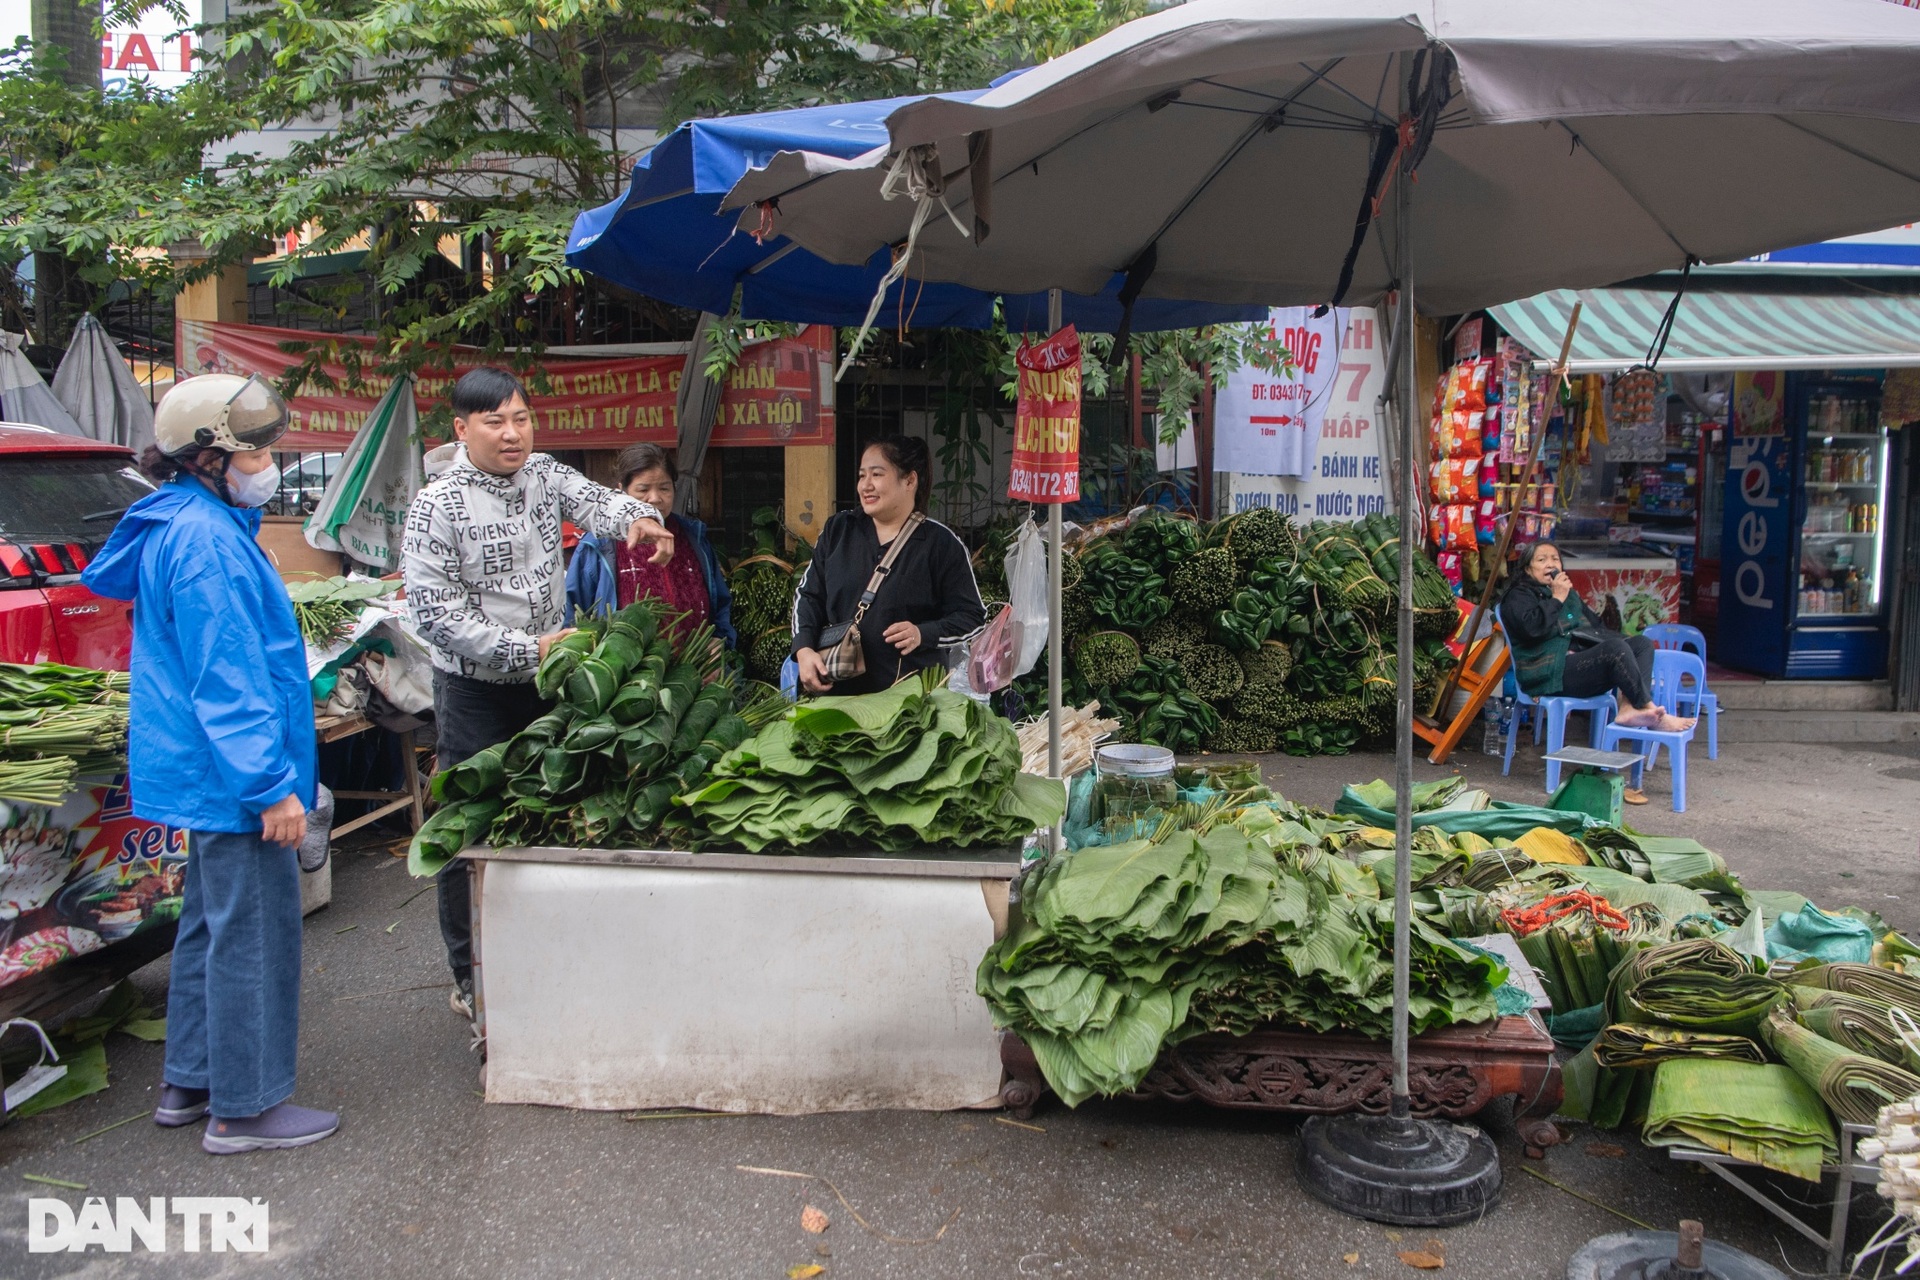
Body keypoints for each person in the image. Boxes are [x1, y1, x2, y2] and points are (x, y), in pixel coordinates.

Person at [82, 373, 337, 1154]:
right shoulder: (204, 543)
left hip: (203, 772)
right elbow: (226, 679)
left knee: (209, 926)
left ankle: (190, 1081)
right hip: (233, 778)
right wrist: (272, 790)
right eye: (255, 453)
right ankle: (245, 1108)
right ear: (205, 459)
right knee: (252, 936)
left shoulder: (188, 521)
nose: (269, 464)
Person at [402, 367, 674, 1021]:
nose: (512, 433)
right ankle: (472, 976)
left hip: (550, 687)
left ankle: (548, 957)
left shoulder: (546, 476)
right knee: (468, 827)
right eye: (495, 421)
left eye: (521, 418)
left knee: (554, 811)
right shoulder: (435, 506)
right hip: (475, 694)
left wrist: (638, 517)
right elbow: (439, 616)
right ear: (462, 429)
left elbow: (597, 501)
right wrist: (532, 650)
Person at [792, 435, 984, 696]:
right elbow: (809, 596)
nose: (866, 486)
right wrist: (804, 650)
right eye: (862, 476)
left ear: (909, 480)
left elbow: (972, 616)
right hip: (836, 697)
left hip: (911, 705)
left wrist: (923, 633)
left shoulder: (941, 544)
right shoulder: (838, 530)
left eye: (877, 475)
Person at [1502, 541, 1695, 742]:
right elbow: (1532, 629)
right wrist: (1557, 599)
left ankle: (1629, 707)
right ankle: (1650, 710)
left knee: (1641, 644)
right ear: (1527, 569)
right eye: (1541, 560)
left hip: (1575, 665)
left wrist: (1564, 600)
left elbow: (1595, 628)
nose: (1550, 565)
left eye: (1555, 559)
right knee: (1615, 649)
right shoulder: (1519, 596)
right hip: (1547, 673)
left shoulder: (1568, 595)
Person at [563, 443, 736, 648]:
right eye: (643, 489)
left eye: (664, 488)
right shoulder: (598, 546)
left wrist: (719, 641)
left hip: (694, 673)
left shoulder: (694, 538)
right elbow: (573, 617)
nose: (655, 499)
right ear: (621, 492)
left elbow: (721, 605)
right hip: (626, 675)